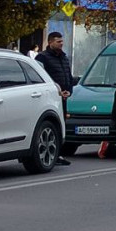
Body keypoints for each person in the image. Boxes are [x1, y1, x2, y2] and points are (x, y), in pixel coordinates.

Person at [36, 32, 74, 166]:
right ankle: (53, 154)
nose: (61, 44)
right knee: (52, 125)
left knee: (61, 124)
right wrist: (57, 91)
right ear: (50, 42)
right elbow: (40, 77)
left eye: (62, 41)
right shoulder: (42, 57)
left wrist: (69, 90)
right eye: (58, 42)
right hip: (51, 97)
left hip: (63, 97)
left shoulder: (63, 57)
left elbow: (68, 75)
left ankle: (58, 154)